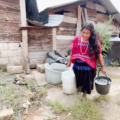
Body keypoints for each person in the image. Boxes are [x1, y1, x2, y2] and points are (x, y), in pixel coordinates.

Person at [67, 22, 106, 98]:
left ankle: (84, 95)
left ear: (91, 33)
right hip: (78, 66)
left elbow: (99, 55)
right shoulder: (76, 40)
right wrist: (69, 62)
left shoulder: (95, 43)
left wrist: (103, 67)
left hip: (88, 68)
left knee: (86, 83)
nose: (85, 35)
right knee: (78, 80)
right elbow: (73, 52)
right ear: (81, 31)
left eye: (87, 33)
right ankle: (79, 91)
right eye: (83, 32)